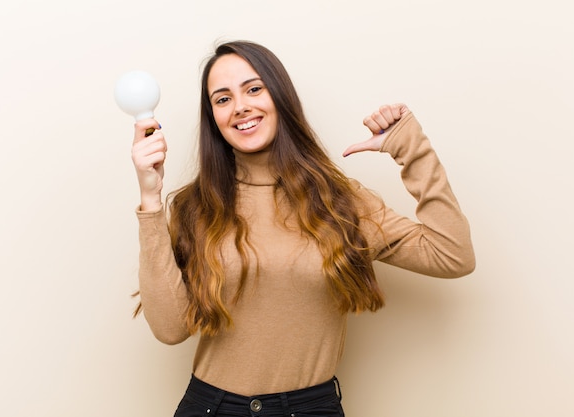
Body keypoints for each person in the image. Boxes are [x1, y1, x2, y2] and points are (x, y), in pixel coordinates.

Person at [130, 40, 475, 417]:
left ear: (280, 97)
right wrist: (150, 198)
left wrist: (411, 148)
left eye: (254, 89)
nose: (241, 106)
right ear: (213, 117)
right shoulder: (194, 207)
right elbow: (169, 329)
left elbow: (453, 255)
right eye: (223, 99)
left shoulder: (340, 202)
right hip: (211, 407)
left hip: (310, 408)